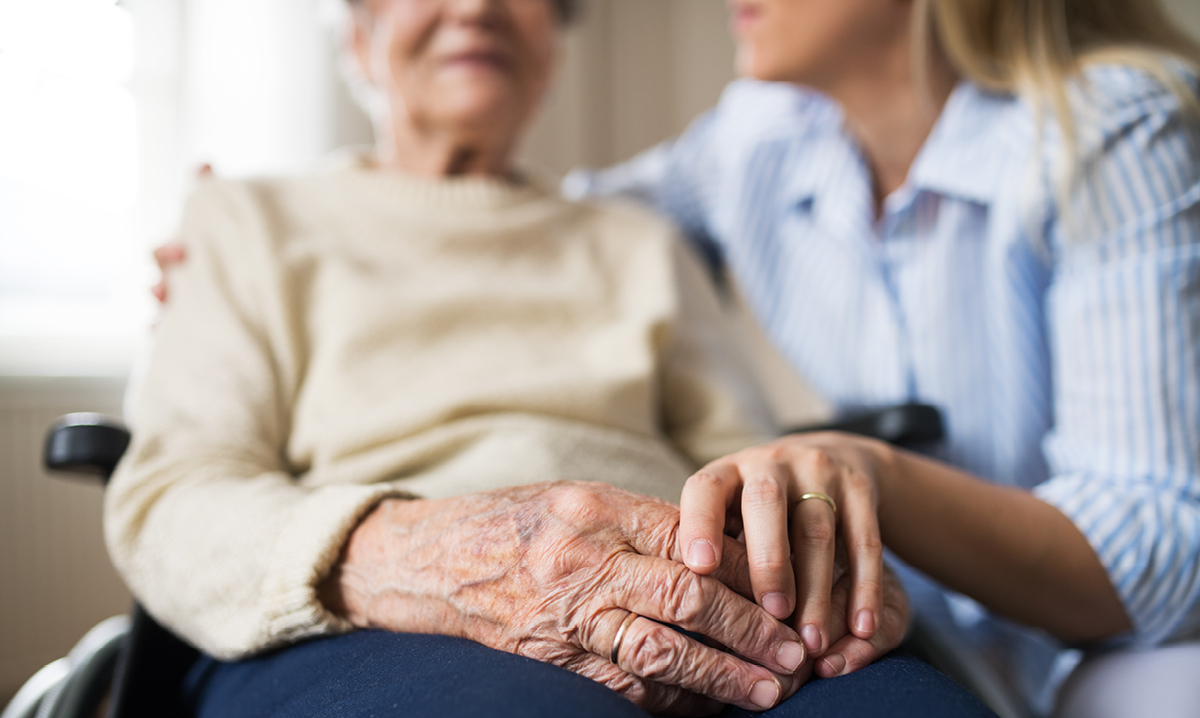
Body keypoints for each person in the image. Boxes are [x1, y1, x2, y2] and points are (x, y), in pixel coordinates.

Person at [111, 0, 992, 716]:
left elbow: (737, 457)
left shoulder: (640, 241)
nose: (478, 7)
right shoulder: (247, 223)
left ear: (552, 47)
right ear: (358, 35)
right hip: (388, 623)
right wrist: (435, 559)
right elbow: (170, 500)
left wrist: (798, 562)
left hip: (685, 609)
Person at [563, 0, 1200, 715]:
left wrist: (873, 474)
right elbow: (557, 228)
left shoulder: (1114, 127)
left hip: (1130, 654)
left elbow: (1162, 553)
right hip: (931, 644)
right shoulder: (763, 136)